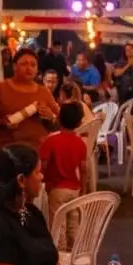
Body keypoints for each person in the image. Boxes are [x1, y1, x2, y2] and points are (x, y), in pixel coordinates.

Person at [0, 48, 59, 151]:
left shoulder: (44, 92)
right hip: (6, 150)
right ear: (14, 66)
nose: (29, 68)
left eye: (33, 65)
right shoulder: (0, 88)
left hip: (36, 151)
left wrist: (51, 118)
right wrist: (3, 123)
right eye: (24, 64)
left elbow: (60, 123)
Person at [39, 103, 89, 253]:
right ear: (79, 123)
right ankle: (74, 252)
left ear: (59, 119)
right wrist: (83, 189)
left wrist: (45, 181)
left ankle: (60, 255)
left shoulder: (51, 141)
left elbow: (44, 165)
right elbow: (84, 169)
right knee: (73, 224)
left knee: (58, 225)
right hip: (74, 189)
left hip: (57, 189)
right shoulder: (80, 143)